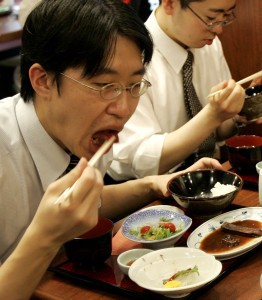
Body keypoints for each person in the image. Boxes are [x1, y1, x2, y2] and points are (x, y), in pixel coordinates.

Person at [0, 0, 223, 299]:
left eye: (134, 86)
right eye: (105, 85)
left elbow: (82, 201)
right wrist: (43, 239)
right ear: (43, 80)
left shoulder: (86, 128)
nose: (122, 109)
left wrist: (153, 185)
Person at [107, 0, 248, 182]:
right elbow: (142, 163)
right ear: (170, 4)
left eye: (226, 16)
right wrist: (212, 115)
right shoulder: (131, 57)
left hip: (213, 177)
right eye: (211, 18)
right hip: (152, 196)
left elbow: (218, 131)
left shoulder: (209, 45)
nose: (218, 29)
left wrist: (241, 112)